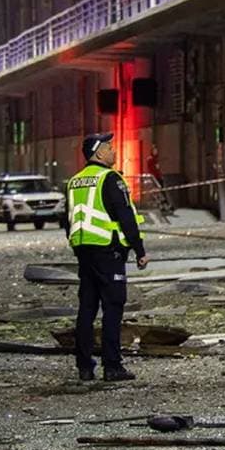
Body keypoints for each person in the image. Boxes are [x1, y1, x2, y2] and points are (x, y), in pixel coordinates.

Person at [66, 133, 148, 382]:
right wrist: (139, 250)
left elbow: (67, 220)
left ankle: (84, 366)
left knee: (87, 309)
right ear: (98, 153)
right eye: (110, 148)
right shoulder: (110, 179)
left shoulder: (74, 181)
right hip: (108, 250)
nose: (113, 152)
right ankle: (112, 366)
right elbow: (126, 217)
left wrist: (78, 247)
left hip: (84, 251)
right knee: (113, 307)